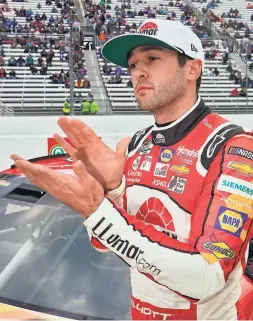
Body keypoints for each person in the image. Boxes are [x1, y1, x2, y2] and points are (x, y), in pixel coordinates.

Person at [10, 19, 253, 320]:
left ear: (192, 69)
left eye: (152, 58)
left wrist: (94, 208)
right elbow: (105, 243)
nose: (138, 71)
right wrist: (113, 190)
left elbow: (205, 278)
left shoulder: (234, 145)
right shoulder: (138, 143)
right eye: (133, 64)